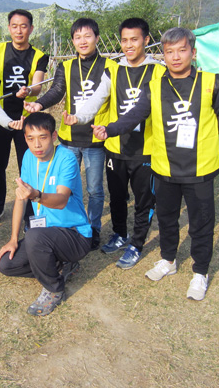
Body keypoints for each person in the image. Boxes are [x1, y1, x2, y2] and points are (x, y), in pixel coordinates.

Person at [93, 27, 219, 300]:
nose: (176, 57)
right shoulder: (155, 86)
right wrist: (109, 129)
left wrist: (200, 141)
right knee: (167, 218)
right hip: (164, 166)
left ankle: (200, 272)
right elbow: (133, 116)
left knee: (201, 223)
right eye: (169, 52)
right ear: (163, 55)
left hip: (200, 168)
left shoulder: (212, 82)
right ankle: (168, 260)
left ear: (193, 52)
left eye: (182, 50)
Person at [64, 18, 160, 270]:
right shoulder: (114, 70)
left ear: (146, 40)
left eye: (134, 40)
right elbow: (97, 98)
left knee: (143, 200)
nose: (129, 45)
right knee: (117, 196)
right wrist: (79, 117)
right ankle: (119, 233)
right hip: (115, 147)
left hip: (146, 149)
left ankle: (136, 245)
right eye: (124, 40)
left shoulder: (159, 71)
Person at [24, 17, 113, 250]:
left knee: (95, 189)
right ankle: (69, 226)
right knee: (66, 187)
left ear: (97, 38)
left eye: (87, 36)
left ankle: (93, 229)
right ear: (72, 40)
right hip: (69, 138)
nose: (82, 41)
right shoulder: (66, 66)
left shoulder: (110, 67)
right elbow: (57, 91)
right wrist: (39, 104)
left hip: (95, 138)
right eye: (77, 37)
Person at [0, 112, 92, 316]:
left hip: (75, 235)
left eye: (43, 137)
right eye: (30, 138)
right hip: (45, 234)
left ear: (54, 136)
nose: (37, 145)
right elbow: (21, 198)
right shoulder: (28, 157)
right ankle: (62, 265)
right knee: (6, 265)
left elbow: (61, 200)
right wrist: (13, 239)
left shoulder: (66, 158)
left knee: (34, 236)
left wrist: (37, 195)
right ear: (25, 139)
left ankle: (54, 289)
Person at [0, 9, 49, 226]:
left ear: (31, 28)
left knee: (28, 166)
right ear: (9, 28)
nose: (19, 30)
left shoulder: (39, 56)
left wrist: (29, 91)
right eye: (14, 26)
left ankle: (30, 213)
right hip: (0, 118)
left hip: (26, 119)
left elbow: (38, 85)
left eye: (24, 26)